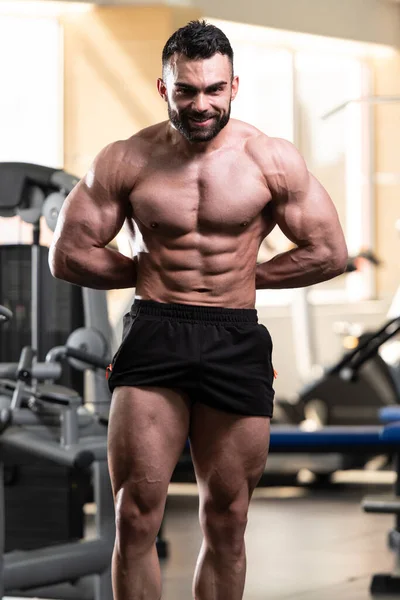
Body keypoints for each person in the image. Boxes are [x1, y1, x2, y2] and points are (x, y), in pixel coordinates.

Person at [49, 19, 348, 600]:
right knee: (135, 513)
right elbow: (70, 254)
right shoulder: (126, 159)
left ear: (235, 85)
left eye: (214, 89)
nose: (201, 104)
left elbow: (329, 252)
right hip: (156, 330)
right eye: (187, 90)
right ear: (164, 89)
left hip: (234, 337)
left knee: (228, 519)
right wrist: (144, 271)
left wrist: (248, 275)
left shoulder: (271, 159)